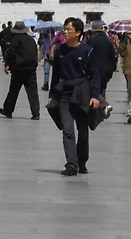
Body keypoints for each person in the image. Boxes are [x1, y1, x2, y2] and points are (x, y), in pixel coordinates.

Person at [47, 18, 101, 176]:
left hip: (82, 94)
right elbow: (56, 75)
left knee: (83, 131)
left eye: (69, 29)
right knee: (68, 130)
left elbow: (95, 75)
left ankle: (81, 161)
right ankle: (71, 164)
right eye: (65, 29)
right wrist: (52, 96)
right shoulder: (60, 51)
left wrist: (95, 96)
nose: (65, 32)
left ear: (78, 32)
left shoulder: (87, 51)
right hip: (65, 94)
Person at [0, 20, 40, 120]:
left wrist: (8, 64)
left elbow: (11, 53)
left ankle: (8, 110)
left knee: (13, 91)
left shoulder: (15, 39)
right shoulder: (31, 39)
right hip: (31, 68)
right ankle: (36, 113)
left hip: (19, 68)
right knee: (32, 91)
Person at [86, 21, 116, 117]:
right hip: (107, 69)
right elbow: (113, 56)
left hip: (96, 68)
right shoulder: (108, 41)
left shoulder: (92, 41)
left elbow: (88, 54)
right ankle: (102, 110)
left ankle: (104, 105)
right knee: (102, 88)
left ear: (94, 31)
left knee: (92, 88)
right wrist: (113, 68)